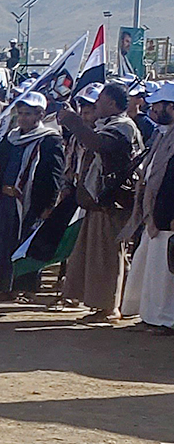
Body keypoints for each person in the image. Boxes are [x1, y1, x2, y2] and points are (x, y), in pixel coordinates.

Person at [60, 82, 144, 324]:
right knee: (95, 255)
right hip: (98, 202)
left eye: (101, 100)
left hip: (113, 202)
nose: (96, 104)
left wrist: (73, 122)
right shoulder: (107, 125)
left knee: (108, 256)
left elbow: (99, 145)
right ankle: (100, 304)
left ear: (111, 103)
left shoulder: (123, 127)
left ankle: (110, 307)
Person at [0, 91, 65, 302]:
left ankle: (27, 288)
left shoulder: (50, 140)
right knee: (4, 243)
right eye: (21, 113)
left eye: (28, 114)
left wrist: (49, 204)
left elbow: (54, 174)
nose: (23, 118)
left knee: (27, 244)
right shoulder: (12, 137)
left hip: (32, 201)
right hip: (7, 199)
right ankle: (4, 286)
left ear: (40, 115)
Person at [121, 83, 174, 329]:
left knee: (165, 274)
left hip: (168, 216)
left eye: (159, 106)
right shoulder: (161, 134)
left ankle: (166, 321)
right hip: (154, 212)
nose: (153, 110)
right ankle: (151, 316)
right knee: (151, 269)